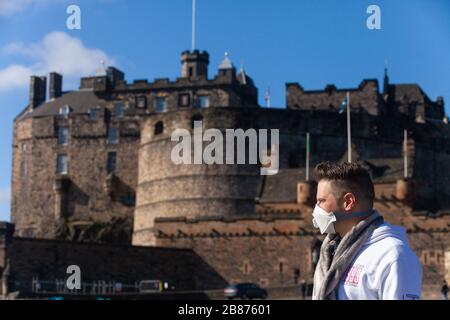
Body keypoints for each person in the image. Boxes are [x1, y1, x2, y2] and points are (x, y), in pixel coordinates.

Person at [311, 161, 422, 300]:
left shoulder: (393, 255)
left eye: (321, 200)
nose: (316, 208)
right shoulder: (329, 253)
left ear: (348, 202)